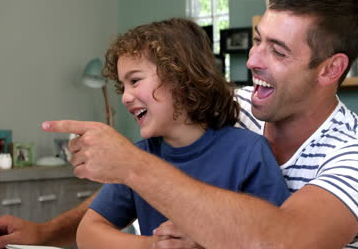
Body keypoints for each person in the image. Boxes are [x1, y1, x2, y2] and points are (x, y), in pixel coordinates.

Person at [0, 0, 358, 248]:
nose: (253, 61)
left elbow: (283, 239)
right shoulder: (231, 107)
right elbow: (129, 193)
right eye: (258, 40)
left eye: (278, 51)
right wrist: (44, 233)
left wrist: (132, 164)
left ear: (330, 69)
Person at [75, 18, 290, 248]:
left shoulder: (248, 153)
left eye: (135, 80)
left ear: (181, 79)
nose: (126, 96)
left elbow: (280, 240)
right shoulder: (139, 156)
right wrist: (153, 245)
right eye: (123, 85)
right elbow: (87, 232)